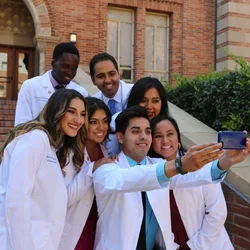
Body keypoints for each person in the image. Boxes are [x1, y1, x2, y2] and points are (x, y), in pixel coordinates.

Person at [92, 106, 250, 250]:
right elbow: (128, 179)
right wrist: (180, 165)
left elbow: (190, 176)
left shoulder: (159, 165)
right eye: (135, 131)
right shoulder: (106, 169)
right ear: (120, 137)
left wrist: (224, 162)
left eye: (147, 131)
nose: (143, 136)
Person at [0, 89, 113, 250]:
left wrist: (91, 169)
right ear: (57, 110)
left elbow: (61, 199)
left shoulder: (53, 147)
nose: (78, 120)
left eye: (82, 114)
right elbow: (16, 200)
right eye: (72, 112)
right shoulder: (35, 139)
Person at [149, 116, 234, 250]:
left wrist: (196, 246)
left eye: (170, 134)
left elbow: (217, 212)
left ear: (178, 138)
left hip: (209, 244)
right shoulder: (149, 172)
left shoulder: (199, 165)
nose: (165, 140)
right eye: (158, 136)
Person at [15, 42, 88, 126]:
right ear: (53, 64)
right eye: (65, 67)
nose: (70, 73)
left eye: (74, 69)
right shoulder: (30, 86)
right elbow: (21, 125)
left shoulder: (81, 92)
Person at [74, 97, 112, 250]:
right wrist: (93, 166)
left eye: (104, 121)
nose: (101, 127)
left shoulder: (106, 150)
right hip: (76, 219)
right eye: (94, 122)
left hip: (97, 218)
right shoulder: (70, 152)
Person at [109, 76, 170, 155]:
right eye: (143, 100)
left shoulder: (167, 125)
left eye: (155, 101)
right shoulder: (117, 122)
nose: (149, 106)